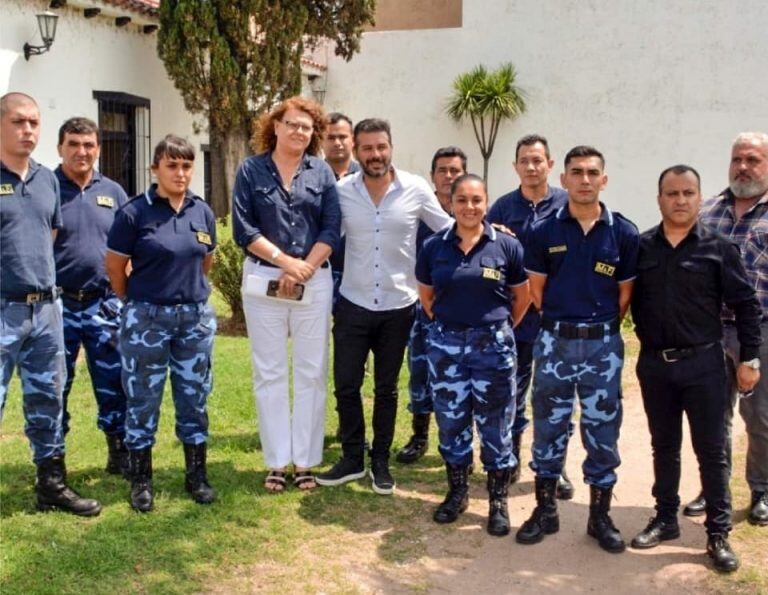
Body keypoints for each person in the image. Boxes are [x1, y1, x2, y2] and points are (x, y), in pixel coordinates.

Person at [629, 165, 760, 572]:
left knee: (712, 452)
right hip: (654, 365)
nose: (680, 200)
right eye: (672, 193)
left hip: (704, 363)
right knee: (663, 447)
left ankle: (717, 533)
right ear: (659, 199)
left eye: (688, 193)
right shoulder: (641, 247)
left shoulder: (718, 248)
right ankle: (666, 518)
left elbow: (746, 306)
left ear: (699, 198)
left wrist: (750, 359)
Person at [317, 118, 452, 495]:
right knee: (346, 384)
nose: (375, 155)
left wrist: (490, 234)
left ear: (391, 147)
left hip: (398, 305)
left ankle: (379, 460)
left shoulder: (415, 188)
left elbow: (449, 229)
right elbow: (324, 235)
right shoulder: (342, 191)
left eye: (381, 147)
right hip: (353, 303)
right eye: (367, 148)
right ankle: (351, 458)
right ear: (356, 152)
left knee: (387, 388)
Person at [515, 146, 639, 553]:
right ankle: (545, 509)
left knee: (603, 430)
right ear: (563, 179)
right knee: (549, 426)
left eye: (592, 172)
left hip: (602, 346)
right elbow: (537, 292)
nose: (584, 179)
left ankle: (599, 516)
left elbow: (624, 298)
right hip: (554, 342)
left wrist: (596, 328)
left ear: (604, 179)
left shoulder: (623, 232)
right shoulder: (543, 232)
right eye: (576, 172)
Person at [0, 92, 101, 516]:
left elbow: (50, 238)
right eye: (19, 122)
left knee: (49, 400)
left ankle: (51, 486)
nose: (28, 130)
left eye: (34, 123)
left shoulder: (46, 180)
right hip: (2, 309)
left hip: (45, 311)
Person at [232, 96, 340, 493]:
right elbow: (243, 229)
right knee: (270, 372)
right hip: (264, 281)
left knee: (312, 372)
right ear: (274, 126)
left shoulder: (323, 174)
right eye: (291, 124)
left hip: (314, 279)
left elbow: (331, 229)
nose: (298, 131)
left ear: (313, 136)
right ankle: (277, 461)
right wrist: (285, 264)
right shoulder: (250, 170)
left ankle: (306, 462)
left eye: (306, 127)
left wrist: (304, 267)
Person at [106, 135, 217, 512]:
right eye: (172, 165)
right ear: (155, 169)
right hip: (147, 318)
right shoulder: (135, 213)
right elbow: (115, 268)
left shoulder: (201, 211)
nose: (180, 173)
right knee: (142, 399)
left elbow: (205, 261)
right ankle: (141, 480)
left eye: (186, 166)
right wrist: (132, 300)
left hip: (193, 320)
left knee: (194, 397)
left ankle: (196, 475)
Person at [416, 173, 530, 535]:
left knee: (496, 424)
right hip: (446, 348)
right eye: (461, 200)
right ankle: (457, 493)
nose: (469, 207)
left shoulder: (507, 246)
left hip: (493, 349)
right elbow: (426, 296)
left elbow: (522, 297)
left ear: (486, 202)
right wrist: (453, 331)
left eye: (476, 200)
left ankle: (497, 501)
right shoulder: (435, 246)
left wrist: (495, 329)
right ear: (450, 203)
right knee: (451, 422)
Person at [686, 132, 768, 527]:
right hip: (711, 333)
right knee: (713, 417)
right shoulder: (708, 211)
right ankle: (712, 488)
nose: (743, 167)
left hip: (762, 333)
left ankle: (761, 491)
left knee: (761, 417)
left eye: (753, 159)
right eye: (737, 159)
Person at [487, 134, 573, 498]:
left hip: (559, 316)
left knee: (557, 396)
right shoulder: (503, 209)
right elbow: (486, 252)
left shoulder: (569, 203)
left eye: (538, 160)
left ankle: (556, 466)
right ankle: (512, 458)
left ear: (550, 165)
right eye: (525, 160)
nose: (532, 166)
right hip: (519, 317)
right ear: (516, 166)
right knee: (514, 392)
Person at [54, 117, 129, 475]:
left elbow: (130, 246)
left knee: (113, 380)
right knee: (54, 383)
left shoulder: (113, 192)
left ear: (98, 149)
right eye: (73, 144)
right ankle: (53, 459)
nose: (81, 152)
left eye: (88, 145)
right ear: (60, 148)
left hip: (104, 304)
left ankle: (118, 451)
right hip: (58, 304)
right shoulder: (46, 187)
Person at [397, 146, 467, 465]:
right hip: (423, 309)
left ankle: (459, 439)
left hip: (463, 313)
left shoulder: (473, 212)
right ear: (432, 176)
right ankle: (420, 436)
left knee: (463, 377)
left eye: (455, 170)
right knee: (420, 372)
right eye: (443, 170)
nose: (449, 176)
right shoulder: (419, 214)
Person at [323, 112, 360, 309]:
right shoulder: (311, 176)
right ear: (321, 140)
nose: (337, 142)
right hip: (319, 269)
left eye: (342, 137)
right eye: (330, 137)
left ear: (352, 140)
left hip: (356, 274)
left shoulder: (366, 178)